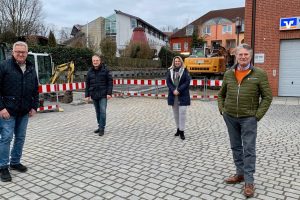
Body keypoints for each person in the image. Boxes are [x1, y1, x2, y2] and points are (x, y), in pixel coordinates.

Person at [218, 43, 272, 197]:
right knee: (236, 147)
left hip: (248, 118)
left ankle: (249, 181)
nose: (242, 57)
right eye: (240, 55)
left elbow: (267, 97)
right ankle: (239, 173)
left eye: (246, 55)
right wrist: (222, 109)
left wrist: (257, 116)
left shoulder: (259, 74)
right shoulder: (229, 73)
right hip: (230, 117)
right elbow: (221, 94)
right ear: (236, 56)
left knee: (248, 150)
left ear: (250, 56)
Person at [0, 41, 39, 182]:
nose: (21, 54)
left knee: (20, 138)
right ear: (13, 52)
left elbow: (35, 88)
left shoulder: (30, 67)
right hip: (7, 111)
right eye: (18, 52)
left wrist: (34, 106)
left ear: (27, 53)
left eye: (23, 52)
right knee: (6, 138)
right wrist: (1, 108)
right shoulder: (4, 66)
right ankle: (2, 166)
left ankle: (15, 162)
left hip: (24, 111)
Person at [85, 55, 113, 136]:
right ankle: (99, 126)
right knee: (97, 112)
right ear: (92, 61)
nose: (95, 62)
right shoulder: (90, 72)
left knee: (103, 111)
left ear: (100, 61)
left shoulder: (105, 70)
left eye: (97, 60)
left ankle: (102, 128)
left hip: (103, 95)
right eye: (94, 60)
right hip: (94, 94)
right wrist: (87, 95)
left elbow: (110, 82)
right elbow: (87, 84)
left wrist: (109, 93)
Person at [166, 56, 191, 140]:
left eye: (178, 61)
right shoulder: (170, 70)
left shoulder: (185, 70)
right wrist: (173, 90)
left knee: (182, 113)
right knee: (176, 114)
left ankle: (182, 131)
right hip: (173, 95)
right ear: (173, 62)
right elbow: (168, 82)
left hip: (183, 94)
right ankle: (178, 129)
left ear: (181, 62)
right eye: (175, 61)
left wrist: (179, 90)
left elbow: (187, 82)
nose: (177, 62)